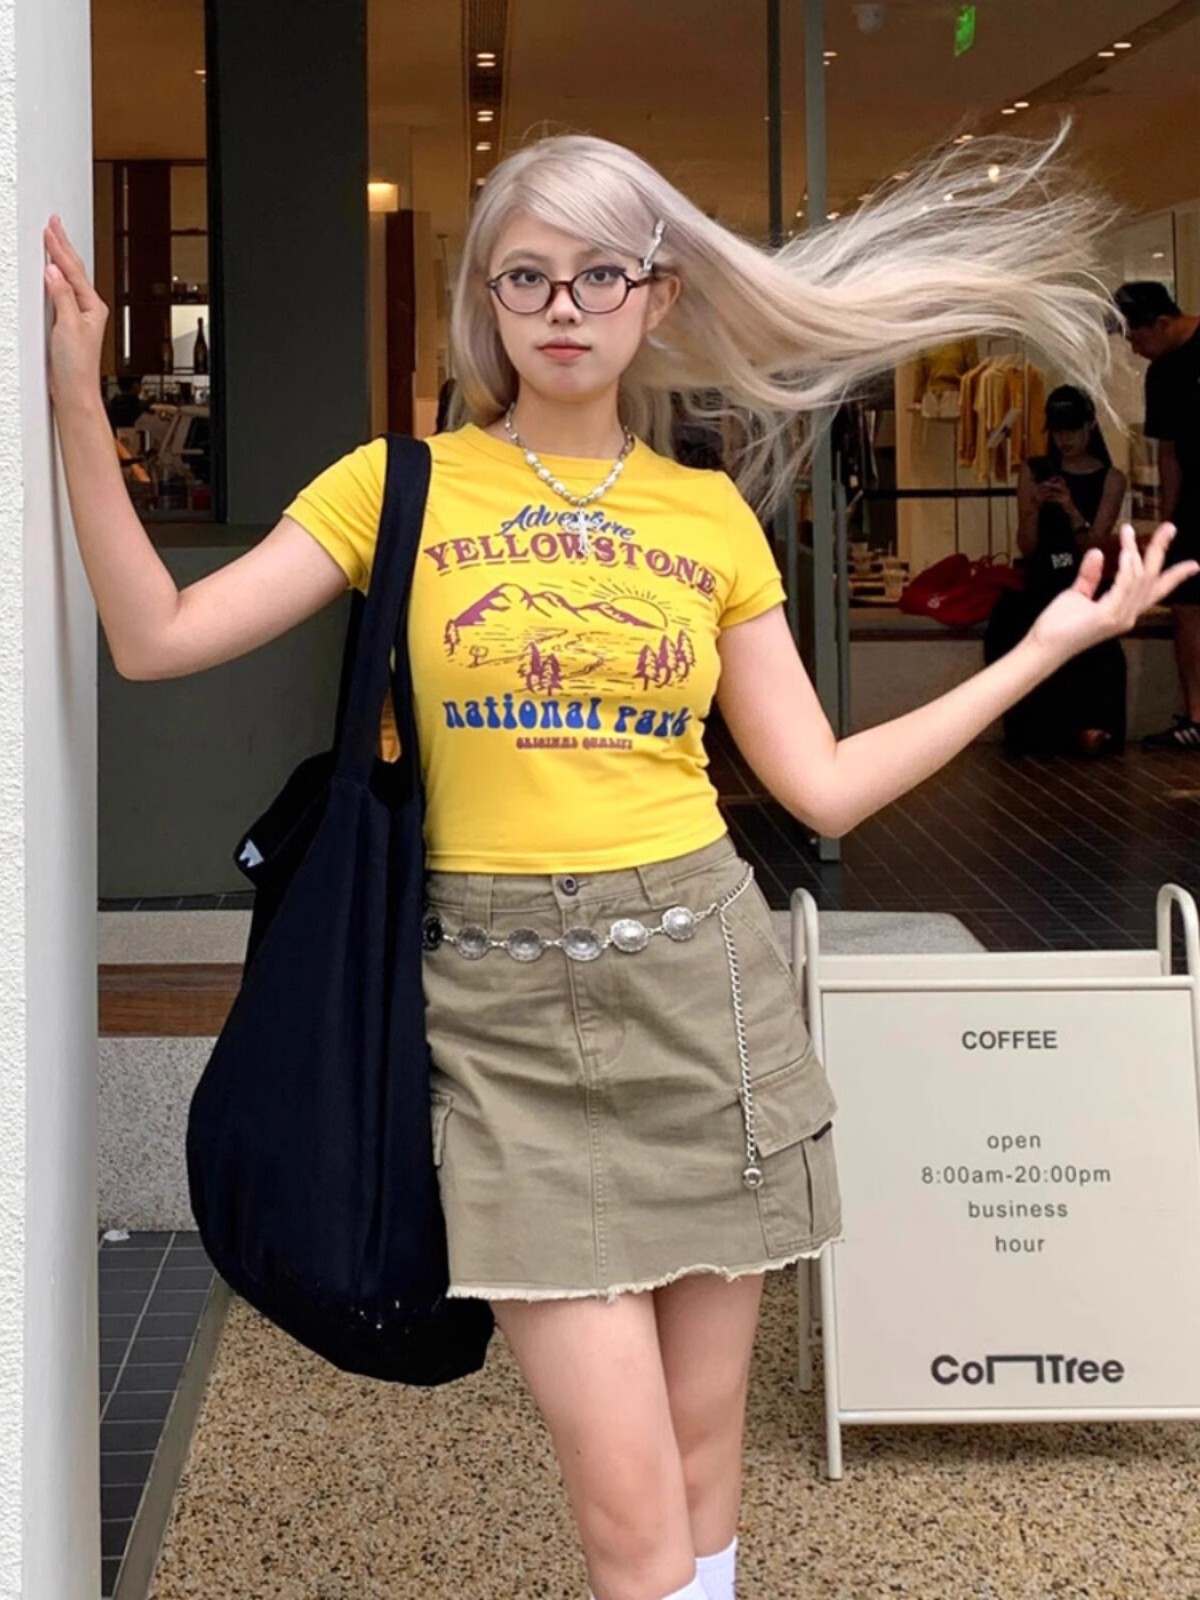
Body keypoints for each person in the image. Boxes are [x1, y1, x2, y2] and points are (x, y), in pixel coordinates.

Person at [44, 127, 1194, 1600]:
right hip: (498, 1023)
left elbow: (820, 783)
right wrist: (76, 396)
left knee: (705, 1469)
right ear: (485, 300)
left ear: (657, 296)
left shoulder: (705, 515)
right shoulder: (400, 486)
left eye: (602, 273)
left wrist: (1044, 650)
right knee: (629, 1519)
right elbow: (153, 637)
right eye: (527, 275)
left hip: (706, 995)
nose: (565, 306)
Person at [985, 386, 1128, 756]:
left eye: (1072, 430)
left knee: (1093, 644)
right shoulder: (1033, 471)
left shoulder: (1111, 479)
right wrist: (1034, 506)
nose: (1065, 439)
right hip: (1041, 577)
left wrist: (1071, 509)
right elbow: (1026, 545)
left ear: (1089, 427)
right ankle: (1036, 730)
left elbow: (1095, 546)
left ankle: (1089, 727)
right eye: (1058, 431)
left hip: (1083, 578)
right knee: (1015, 628)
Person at [1115, 280, 1200, 749]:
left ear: (1163, 323)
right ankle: (1196, 716)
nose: (1133, 347)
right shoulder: (1162, 374)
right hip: (1195, 501)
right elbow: (1167, 453)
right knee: (1186, 606)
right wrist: (1167, 524)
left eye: (1136, 337)